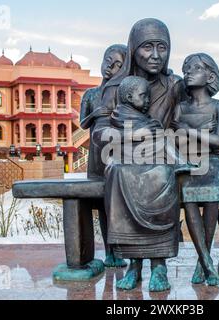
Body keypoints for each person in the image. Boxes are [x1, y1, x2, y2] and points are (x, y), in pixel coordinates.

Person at [104, 76, 183, 292]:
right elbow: (99, 137)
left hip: (153, 165)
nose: (147, 100)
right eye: (143, 96)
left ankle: (159, 267)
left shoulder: (149, 121)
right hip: (125, 166)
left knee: (165, 173)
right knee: (116, 172)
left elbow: (162, 140)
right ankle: (134, 267)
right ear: (129, 97)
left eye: (148, 95)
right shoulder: (115, 117)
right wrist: (133, 135)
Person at [171, 53, 219, 286]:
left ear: (210, 75)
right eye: (186, 68)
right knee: (190, 202)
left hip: (212, 162)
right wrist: (201, 133)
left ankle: (201, 263)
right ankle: (206, 262)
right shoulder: (180, 107)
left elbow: (218, 141)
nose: (188, 72)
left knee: (212, 202)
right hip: (186, 162)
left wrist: (188, 131)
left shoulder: (218, 106)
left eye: (195, 68)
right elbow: (174, 140)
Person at [80, 44, 127, 268]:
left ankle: (120, 249)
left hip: (117, 150)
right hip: (96, 153)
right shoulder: (91, 94)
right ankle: (109, 252)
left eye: (118, 64)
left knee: (116, 203)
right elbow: (82, 123)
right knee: (100, 203)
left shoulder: (123, 93)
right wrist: (95, 114)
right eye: (109, 59)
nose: (111, 66)